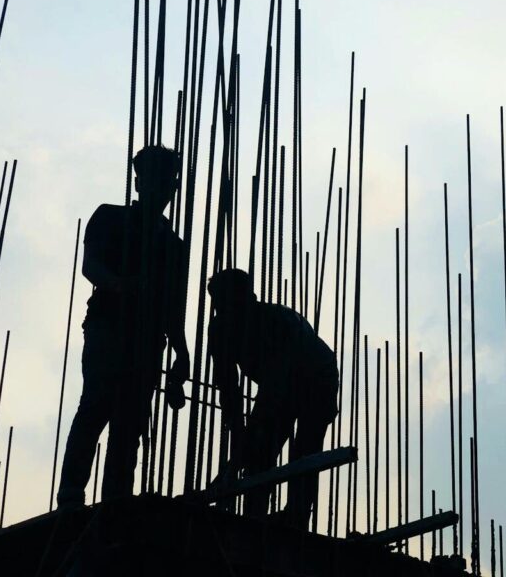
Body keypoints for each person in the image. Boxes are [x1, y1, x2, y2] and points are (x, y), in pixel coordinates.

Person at [56, 145, 190, 507]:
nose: (160, 188)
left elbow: (174, 307)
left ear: (173, 187)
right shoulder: (111, 218)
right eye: (152, 179)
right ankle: (71, 494)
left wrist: (181, 353)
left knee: (130, 421)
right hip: (108, 325)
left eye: (167, 181)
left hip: (149, 339)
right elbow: (90, 266)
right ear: (138, 182)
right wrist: (121, 285)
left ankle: (115, 500)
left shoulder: (175, 246)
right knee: (98, 402)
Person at [206, 268, 338, 525]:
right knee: (260, 452)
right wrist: (239, 438)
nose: (220, 311)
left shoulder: (277, 323)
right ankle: (253, 516)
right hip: (282, 382)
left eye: (226, 303)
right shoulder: (220, 330)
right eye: (217, 304)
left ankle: (296, 516)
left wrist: (242, 451)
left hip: (318, 376)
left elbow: (274, 392)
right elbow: (228, 389)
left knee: (304, 449)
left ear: (247, 299)